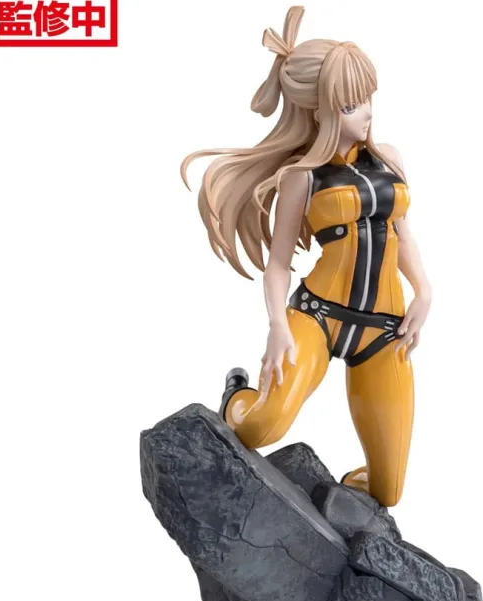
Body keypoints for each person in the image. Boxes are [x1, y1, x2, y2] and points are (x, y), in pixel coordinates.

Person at [180, 5, 432, 507]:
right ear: (319, 111)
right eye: (351, 104)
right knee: (259, 427)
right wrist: (278, 325)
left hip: (384, 329)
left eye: (368, 98)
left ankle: (341, 521)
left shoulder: (390, 159)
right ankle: (236, 395)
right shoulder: (303, 176)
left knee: (387, 491)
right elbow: (278, 265)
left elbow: (402, 235)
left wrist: (424, 290)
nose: (367, 112)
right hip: (318, 317)